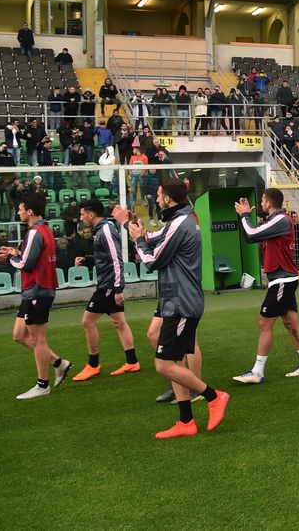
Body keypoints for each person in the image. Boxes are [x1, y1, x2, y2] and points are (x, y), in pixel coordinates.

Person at [116, 182, 229, 438]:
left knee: (164, 365)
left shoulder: (181, 222)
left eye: (158, 196)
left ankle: (214, 396)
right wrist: (134, 230)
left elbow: (153, 261)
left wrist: (138, 242)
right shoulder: (181, 218)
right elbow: (156, 238)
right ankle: (186, 422)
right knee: (175, 361)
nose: (157, 199)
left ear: (167, 199)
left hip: (181, 302)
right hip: (176, 299)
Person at [232, 189, 299, 383]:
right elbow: (249, 236)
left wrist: (245, 215)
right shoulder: (273, 221)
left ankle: (257, 372)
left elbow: (251, 234)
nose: (260, 203)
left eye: (262, 200)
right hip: (282, 279)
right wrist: (245, 216)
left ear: (269, 203)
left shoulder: (281, 219)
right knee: (290, 322)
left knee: (264, 322)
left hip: (282, 280)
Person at [0, 191, 72, 399]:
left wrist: (10, 260)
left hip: (37, 290)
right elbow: (30, 258)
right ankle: (59, 363)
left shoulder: (35, 233)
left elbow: (26, 264)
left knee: (38, 340)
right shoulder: (43, 230)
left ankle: (42, 385)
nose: (18, 212)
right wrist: (14, 253)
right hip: (35, 290)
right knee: (19, 335)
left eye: (20, 209)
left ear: (29, 211)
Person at [69, 200, 139, 381]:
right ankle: (132, 362)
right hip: (108, 284)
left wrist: (118, 288)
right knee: (119, 322)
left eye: (83, 213)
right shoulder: (101, 230)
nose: (81, 217)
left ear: (91, 215)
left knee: (87, 321)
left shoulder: (106, 230)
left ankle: (93, 365)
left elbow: (117, 259)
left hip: (108, 286)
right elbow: (104, 257)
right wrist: (87, 259)